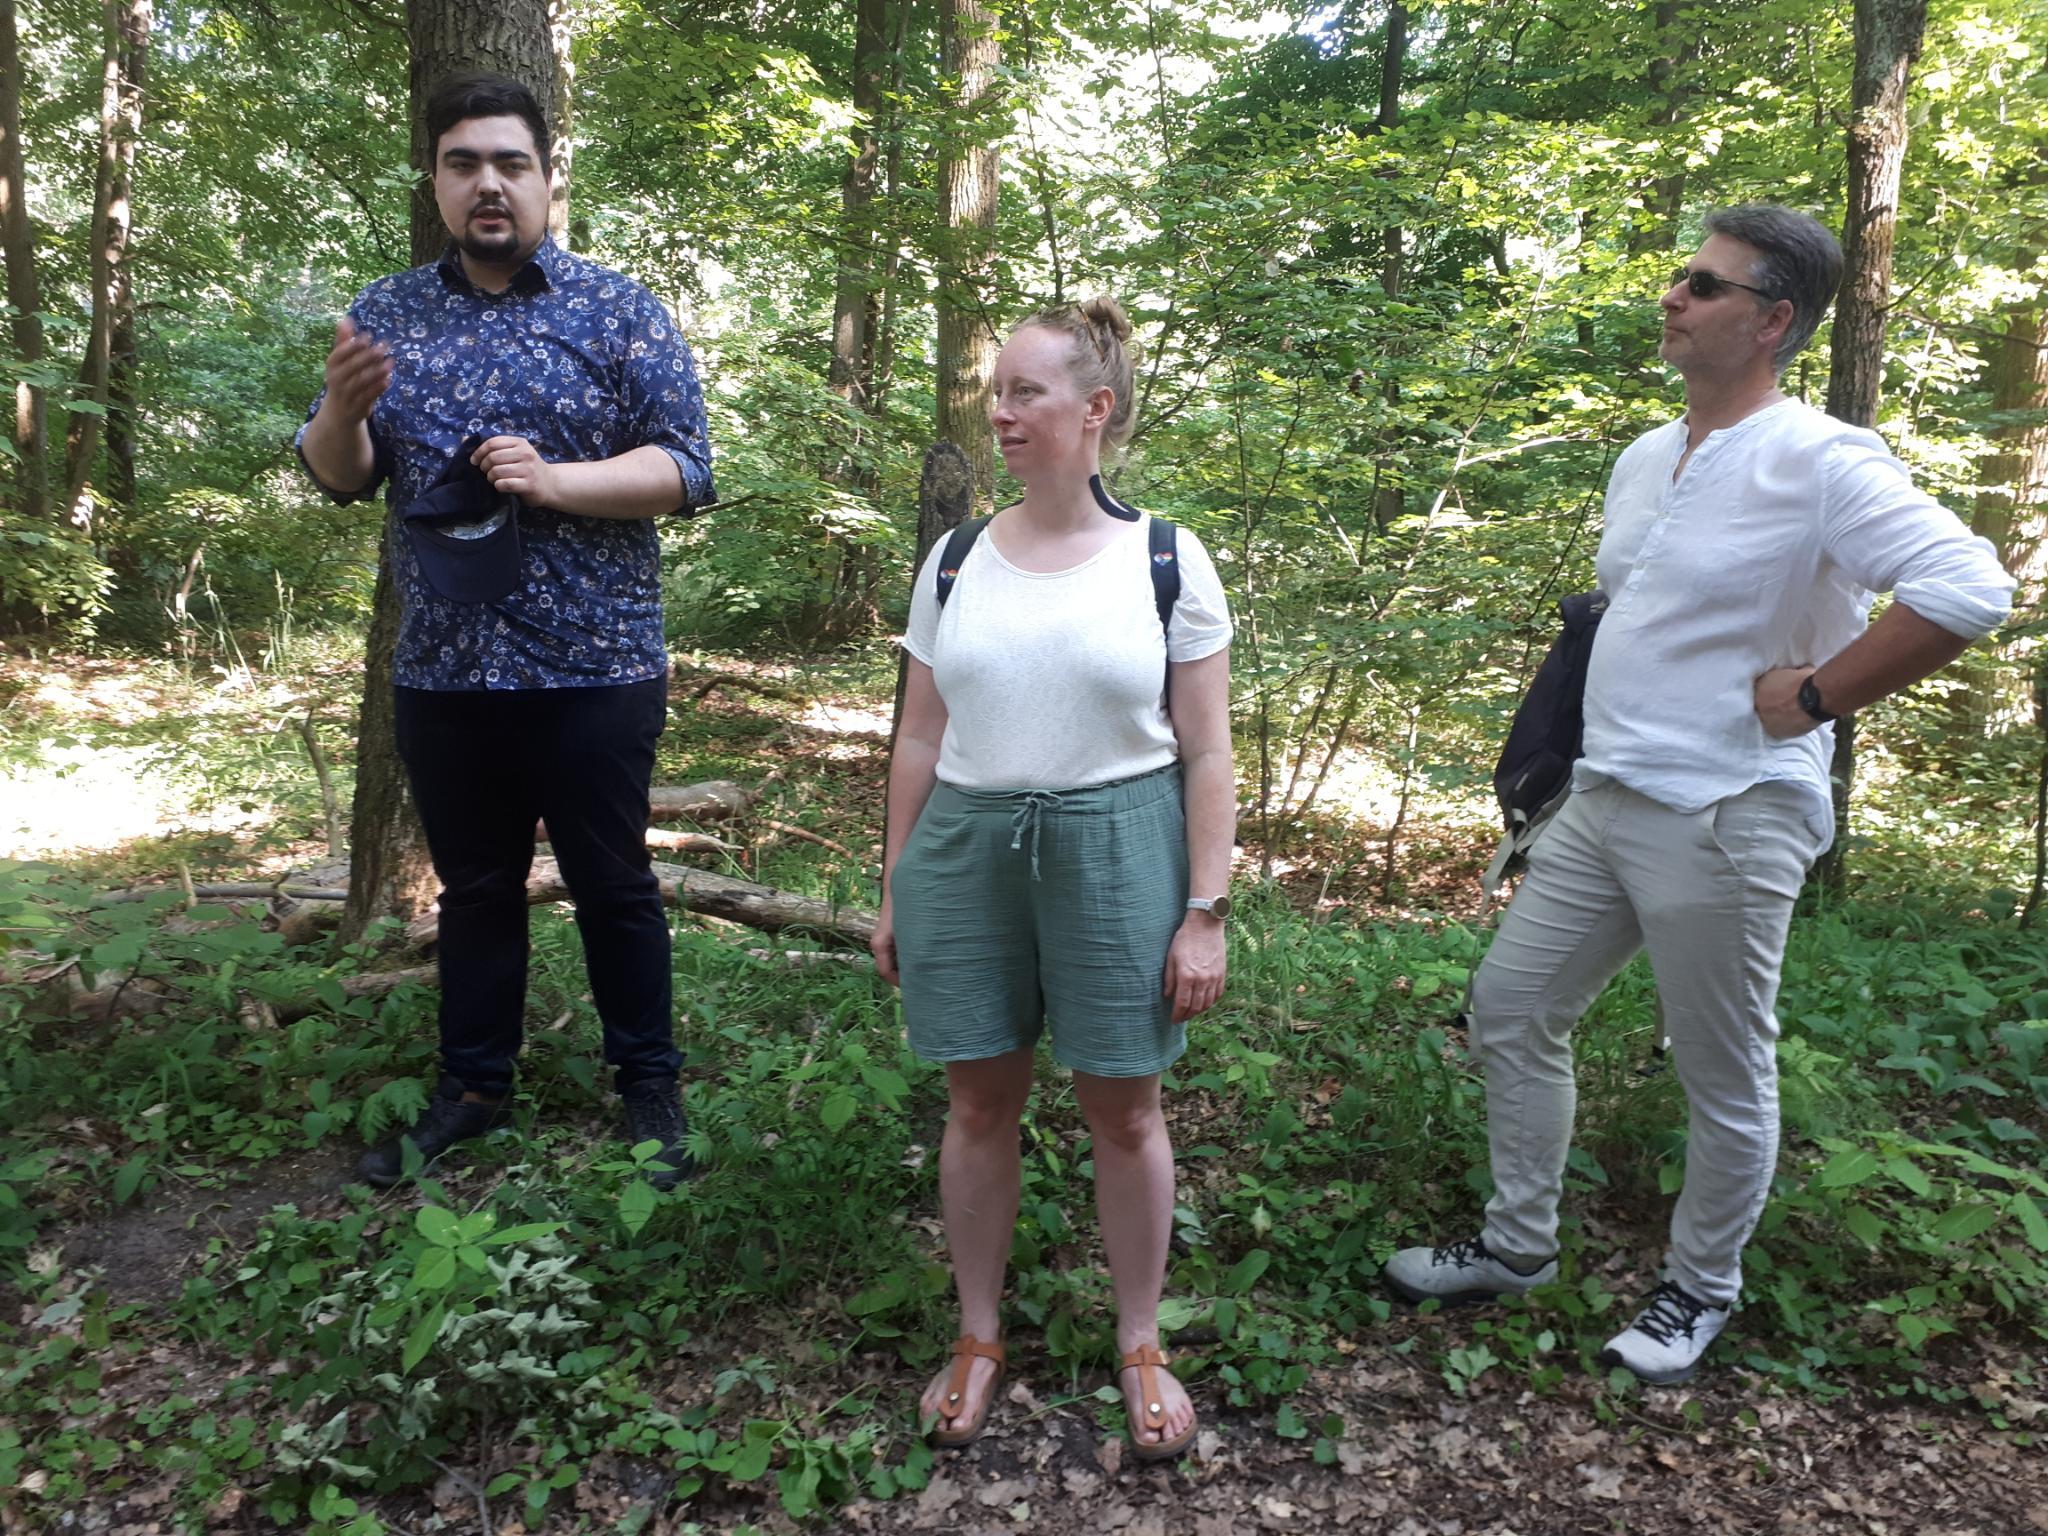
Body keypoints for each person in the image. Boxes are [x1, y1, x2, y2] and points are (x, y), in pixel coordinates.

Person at [1385, 205, 2015, 1384]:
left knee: (1718, 1067)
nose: (1674, 297)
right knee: (1512, 1009)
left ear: (1772, 320)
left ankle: (1696, 1291)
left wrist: (1819, 696)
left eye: (1706, 286)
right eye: (1681, 278)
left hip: (1730, 809)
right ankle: (1518, 1248)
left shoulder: (1821, 460)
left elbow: (1968, 587)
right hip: (1605, 796)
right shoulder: (1641, 455)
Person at [297, 73, 716, 1192]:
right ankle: (473, 1087)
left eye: (510, 163)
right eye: (463, 163)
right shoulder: (384, 315)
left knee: (612, 883)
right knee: (476, 890)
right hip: (445, 672)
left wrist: (555, 480)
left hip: (596, 663)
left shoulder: (618, 311)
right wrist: (339, 412)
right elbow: (342, 478)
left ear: (546, 178)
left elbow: (686, 467)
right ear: (435, 180)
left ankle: (647, 1088)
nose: (488, 183)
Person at [873, 298, 1235, 1456]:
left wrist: (1203, 912)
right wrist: (894, 888)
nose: (1001, 413)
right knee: (977, 1101)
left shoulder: (1165, 558)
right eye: (997, 392)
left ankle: (1139, 1341)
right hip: (967, 850)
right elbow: (919, 738)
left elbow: (1208, 751)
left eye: (1025, 392)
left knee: (1123, 1110)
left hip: (1120, 844)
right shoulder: (955, 557)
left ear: (1095, 411)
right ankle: (976, 1336)